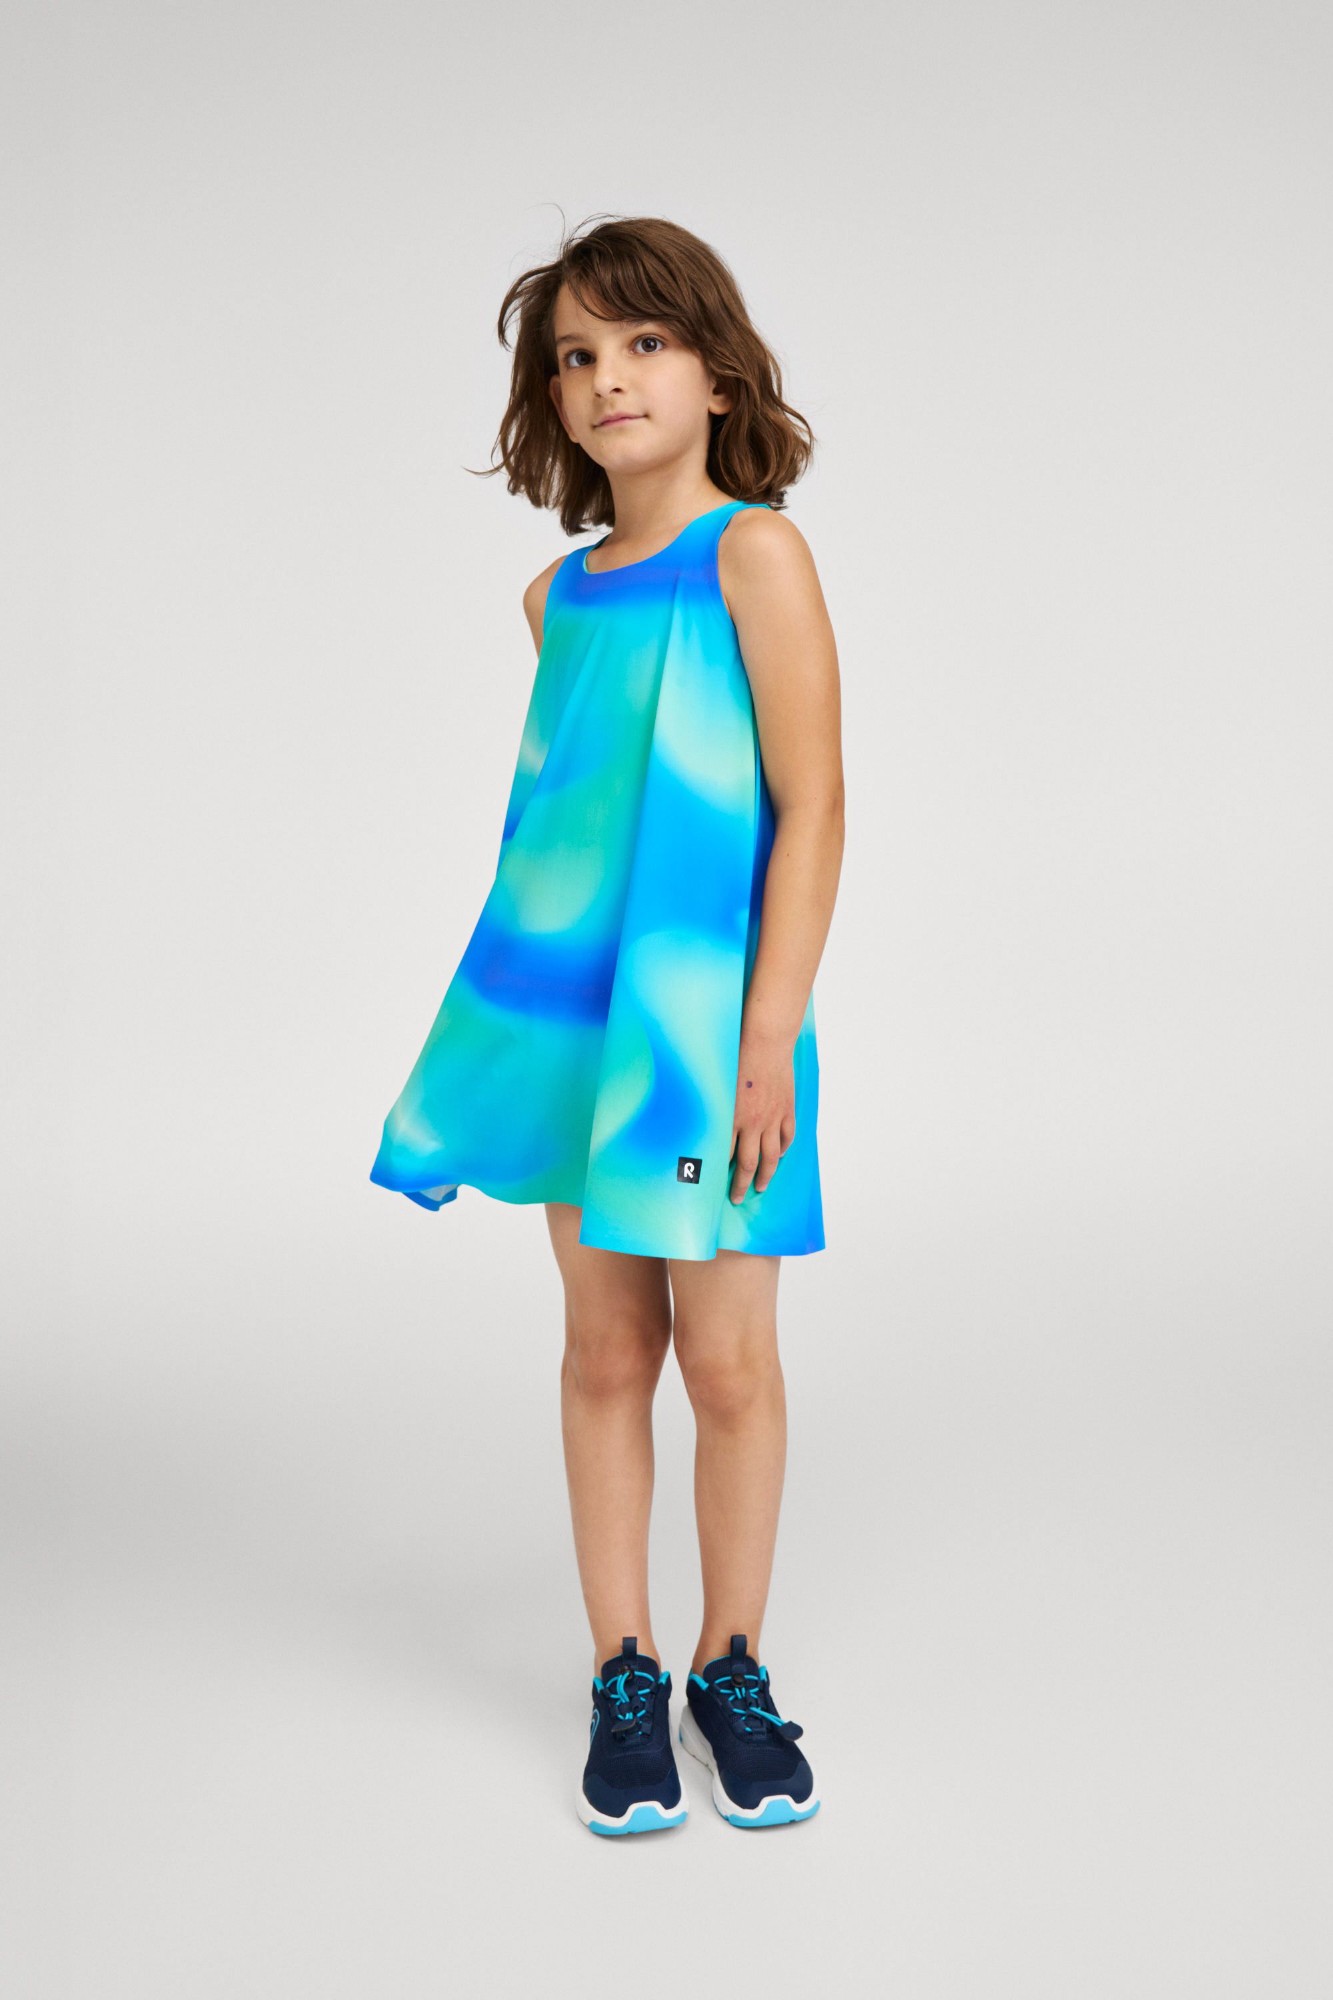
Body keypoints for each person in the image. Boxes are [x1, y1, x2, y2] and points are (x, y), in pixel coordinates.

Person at [369, 216, 844, 1835]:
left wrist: (768, 1037)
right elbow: (563, 837)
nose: (606, 378)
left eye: (642, 343)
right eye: (575, 355)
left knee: (726, 1359)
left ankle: (732, 1666)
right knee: (604, 1348)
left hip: (708, 1036)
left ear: (717, 375)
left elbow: (813, 803)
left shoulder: (754, 556)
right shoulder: (553, 596)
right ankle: (622, 1668)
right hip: (567, 1028)